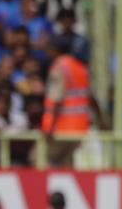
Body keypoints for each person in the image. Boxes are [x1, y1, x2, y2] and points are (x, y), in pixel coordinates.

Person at [40, 39, 105, 167]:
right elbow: (91, 99)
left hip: (60, 130)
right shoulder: (82, 69)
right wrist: (101, 121)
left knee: (38, 158)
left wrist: (50, 128)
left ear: (55, 50)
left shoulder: (59, 68)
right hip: (79, 130)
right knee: (68, 165)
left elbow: (56, 100)